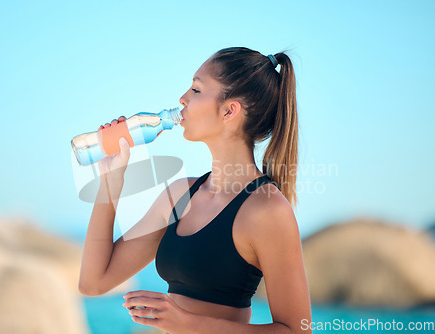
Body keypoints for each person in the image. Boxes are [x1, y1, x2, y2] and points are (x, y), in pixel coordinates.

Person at [78, 47, 312, 334]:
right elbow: (93, 282)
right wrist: (110, 183)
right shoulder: (179, 194)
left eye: (196, 89)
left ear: (229, 110)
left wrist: (187, 323)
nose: (183, 99)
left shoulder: (267, 210)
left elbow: (297, 330)